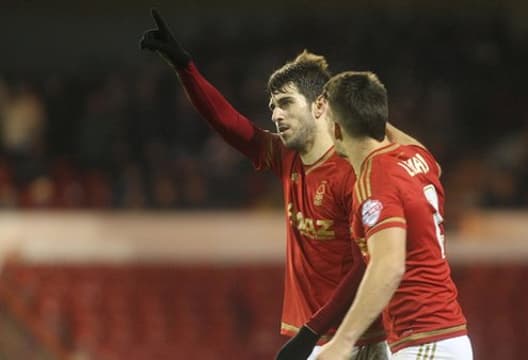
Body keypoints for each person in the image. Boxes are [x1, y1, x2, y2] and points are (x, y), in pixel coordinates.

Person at [139, 9, 419, 359]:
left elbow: (368, 262)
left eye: (285, 103)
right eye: (272, 106)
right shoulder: (286, 156)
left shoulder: (354, 171)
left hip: (353, 341)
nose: (275, 114)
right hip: (315, 337)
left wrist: (314, 330)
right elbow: (230, 124)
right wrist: (185, 68)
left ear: (320, 106)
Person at [315, 71, 473, 360]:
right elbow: (434, 164)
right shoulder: (416, 160)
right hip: (440, 339)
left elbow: (389, 265)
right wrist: (364, 111)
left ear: (337, 130)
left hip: (425, 343)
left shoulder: (376, 179)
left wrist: (342, 342)